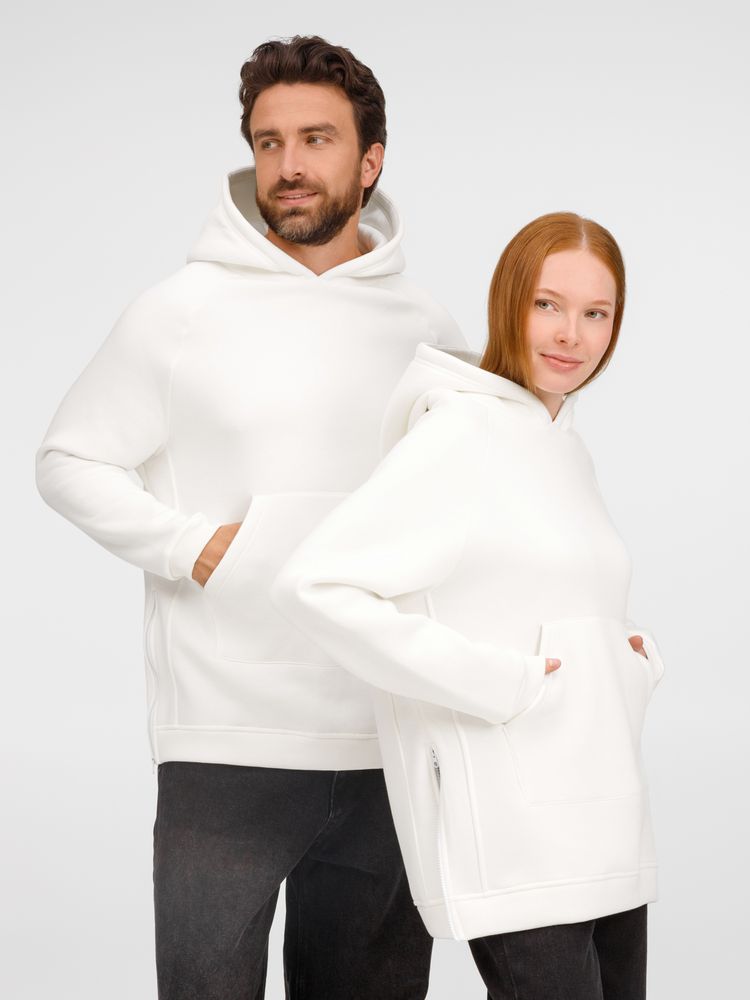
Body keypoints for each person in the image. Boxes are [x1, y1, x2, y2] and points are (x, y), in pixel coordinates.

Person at [35, 35, 466, 1000]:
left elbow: (463, 504)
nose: (289, 165)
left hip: (390, 741)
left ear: (371, 160)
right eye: (269, 142)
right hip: (224, 743)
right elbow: (68, 459)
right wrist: (191, 546)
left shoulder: (427, 328)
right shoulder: (180, 311)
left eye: (316, 139)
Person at [272, 212, 665, 1000]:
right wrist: (498, 681)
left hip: (608, 816)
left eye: (596, 313)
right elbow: (314, 584)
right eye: (548, 304)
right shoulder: (460, 434)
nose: (572, 334)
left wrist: (628, 661)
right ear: (508, 302)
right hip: (520, 830)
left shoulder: (563, 442)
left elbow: (550, 598)